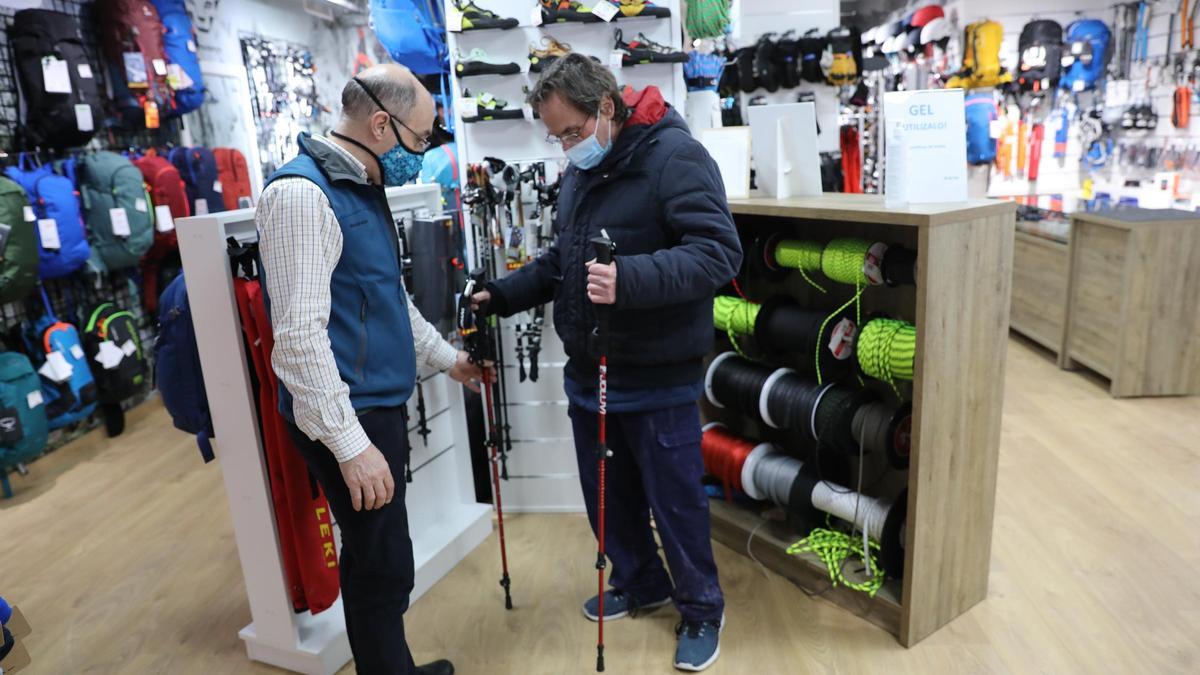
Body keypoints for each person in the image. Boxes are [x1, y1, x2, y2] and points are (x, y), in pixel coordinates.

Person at [471, 54, 742, 672]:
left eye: (571, 132)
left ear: (607, 109)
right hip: (590, 374)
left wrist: (631, 279)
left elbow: (719, 254)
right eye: (555, 136)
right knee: (607, 502)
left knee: (676, 505)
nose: (566, 147)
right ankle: (642, 582)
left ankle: (701, 608)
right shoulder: (579, 173)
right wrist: (503, 293)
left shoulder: (676, 158)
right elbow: (562, 262)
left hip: (659, 375)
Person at [256, 64, 482, 675]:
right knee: (384, 566)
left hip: (373, 405)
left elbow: (387, 298)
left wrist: (446, 360)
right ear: (381, 124)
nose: (425, 153)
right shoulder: (303, 196)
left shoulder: (360, 185)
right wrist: (351, 445)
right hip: (346, 416)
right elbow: (297, 342)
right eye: (421, 138)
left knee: (375, 559)